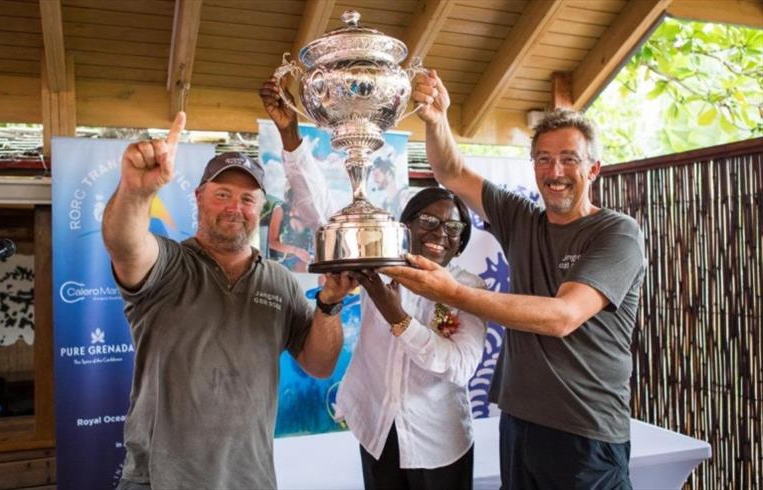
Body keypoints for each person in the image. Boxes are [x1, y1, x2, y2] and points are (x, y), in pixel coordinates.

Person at [380, 71, 647, 489]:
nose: (554, 170)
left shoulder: (616, 233)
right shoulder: (522, 218)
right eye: (543, 158)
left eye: (568, 159)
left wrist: (453, 294)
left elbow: (562, 316)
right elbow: (450, 172)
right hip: (520, 423)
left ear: (593, 168)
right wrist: (436, 121)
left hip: (586, 432)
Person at [101, 112, 357, 490]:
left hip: (249, 479)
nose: (234, 208)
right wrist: (136, 192)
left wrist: (330, 303)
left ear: (260, 208)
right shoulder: (168, 264)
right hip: (159, 480)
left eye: (247, 199)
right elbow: (124, 245)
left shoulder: (279, 280)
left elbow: (320, 364)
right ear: (199, 197)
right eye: (222, 195)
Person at [260, 79, 487, 489]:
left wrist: (393, 311)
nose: (441, 233)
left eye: (453, 227)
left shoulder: (469, 289)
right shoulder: (382, 264)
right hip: (378, 430)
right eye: (428, 222)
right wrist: (291, 137)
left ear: (461, 242)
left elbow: (458, 366)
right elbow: (323, 211)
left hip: (440, 441)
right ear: (405, 229)